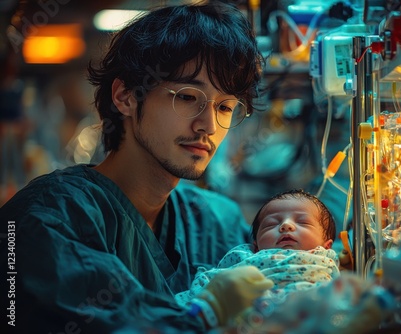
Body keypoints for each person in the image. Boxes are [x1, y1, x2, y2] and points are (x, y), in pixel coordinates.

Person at [0, 1, 275, 333]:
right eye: (188, 97)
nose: (208, 126)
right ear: (126, 96)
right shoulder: (48, 218)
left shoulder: (218, 222)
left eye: (226, 106)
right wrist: (206, 315)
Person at [176, 189, 340, 311]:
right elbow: (212, 281)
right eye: (271, 224)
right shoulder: (242, 257)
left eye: (303, 222)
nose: (285, 226)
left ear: (327, 246)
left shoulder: (325, 261)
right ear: (256, 246)